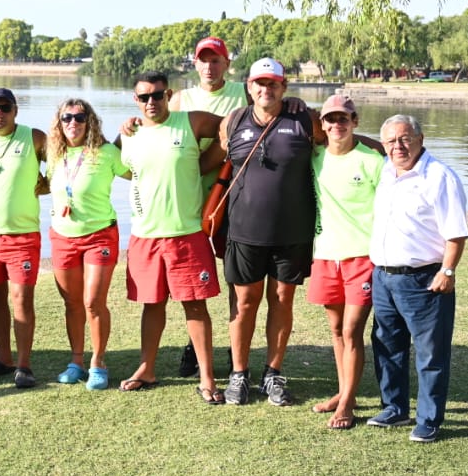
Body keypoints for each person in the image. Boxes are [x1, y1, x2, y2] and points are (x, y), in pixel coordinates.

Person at [212, 57, 325, 406]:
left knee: (281, 300)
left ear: (283, 86)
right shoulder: (233, 121)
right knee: (244, 303)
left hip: (293, 232)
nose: (266, 89)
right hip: (244, 231)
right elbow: (213, 156)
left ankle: (273, 374)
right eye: (260, 83)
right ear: (249, 87)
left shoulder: (304, 120)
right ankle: (239, 374)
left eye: (273, 83)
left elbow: (337, 145)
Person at [117, 73, 225, 404]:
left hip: (186, 234)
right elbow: (121, 169)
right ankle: (146, 368)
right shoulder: (128, 135)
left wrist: (208, 160)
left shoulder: (190, 122)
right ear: (135, 100)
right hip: (145, 235)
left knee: (195, 306)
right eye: (144, 97)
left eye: (157, 95)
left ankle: (207, 378)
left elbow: (232, 126)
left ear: (169, 95)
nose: (151, 102)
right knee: (151, 304)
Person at [367, 115, 468, 443]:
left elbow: (456, 233)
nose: (398, 146)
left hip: (424, 279)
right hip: (384, 277)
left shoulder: (439, 176)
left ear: (420, 139)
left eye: (405, 138)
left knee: (430, 353)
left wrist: (447, 271)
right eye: (390, 141)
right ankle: (394, 407)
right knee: (387, 346)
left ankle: (429, 419)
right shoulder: (386, 170)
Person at [170, 36, 250, 379]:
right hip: (191, 201)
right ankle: (195, 344)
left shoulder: (244, 93)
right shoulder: (180, 99)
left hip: (233, 198)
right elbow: (158, 132)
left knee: (234, 277)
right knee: (194, 281)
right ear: (195, 63)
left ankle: (235, 346)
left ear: (226, 64)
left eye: (216, 60)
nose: (209, 66)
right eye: (203, 60)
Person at [308, 95, 384, 429]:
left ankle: (347, 405)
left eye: (344, 118)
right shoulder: (315, 157)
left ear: (355, 121)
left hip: (362, 258)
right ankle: (343, 392)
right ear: (322, 125)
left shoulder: (372, 160)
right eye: (331, 119)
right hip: (325, 256)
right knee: (337, 330)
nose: (337, 124)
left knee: (352, 330)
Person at [0, 88, 48, 389]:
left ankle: (24, 365)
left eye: (5, 108)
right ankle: (4, 359)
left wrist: (49, 183)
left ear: (16, 111)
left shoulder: (34, 137)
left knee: (21, 299)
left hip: (22, 235)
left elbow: (64, 162)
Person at [45, 99, 125, 390]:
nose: (73, 123)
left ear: (89, 121)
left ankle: (98, 363)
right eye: (66, 118)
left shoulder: (107, 153)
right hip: (62, 236)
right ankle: (76, 362)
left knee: (93, 302)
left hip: (99, 235)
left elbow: (139, 172)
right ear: (59, 122)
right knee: (72, 302)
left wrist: (128, 132)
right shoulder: (54, 154)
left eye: (79, 118)